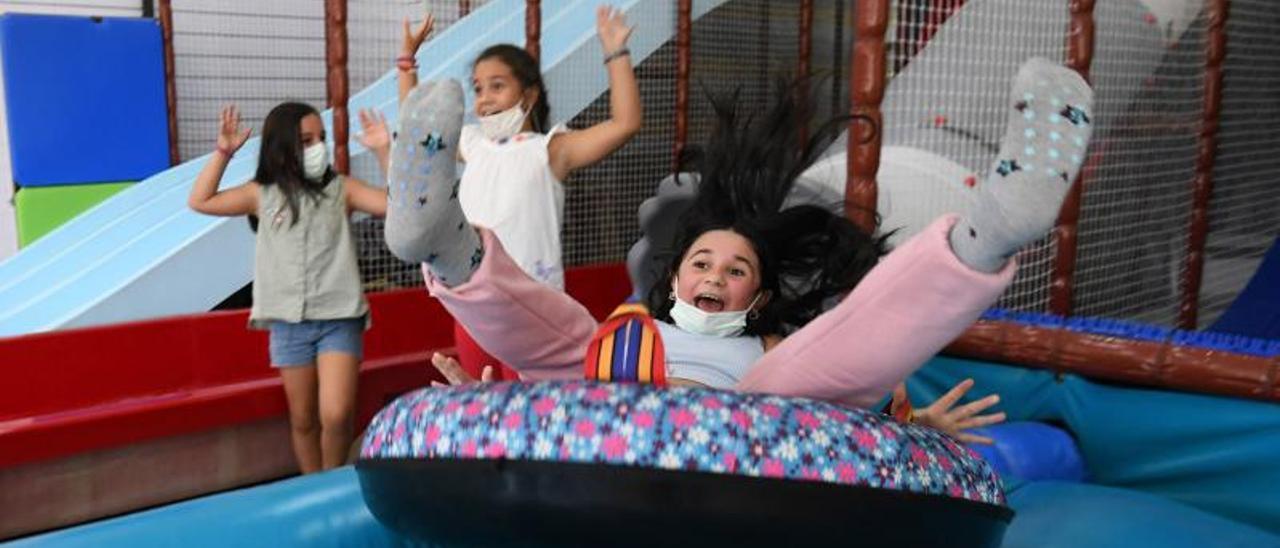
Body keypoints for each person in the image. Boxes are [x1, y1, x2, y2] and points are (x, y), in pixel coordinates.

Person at [390, 57, 1091, 439]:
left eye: (735, 269)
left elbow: (855, 374)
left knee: (811, 366)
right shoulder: (639, 330)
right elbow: (548, 362)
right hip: (618, 404)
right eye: (701, 262)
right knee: (580, 342)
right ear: (674, 280)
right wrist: (487, 412)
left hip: (746, 428)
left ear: (756, 295)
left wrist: (916, 426)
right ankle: (448, 245)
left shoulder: (772, 354)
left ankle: (986, 233)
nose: (715, 275)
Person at [387, 6, 642, 381]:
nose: (484, 98)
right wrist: (406, 63)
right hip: (477, 310)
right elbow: (422, 127)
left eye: (497, 85)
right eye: (477, 88)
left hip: (535, 311)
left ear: (530, 94)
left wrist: (615, 52)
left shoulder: (550, 149)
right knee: (486, 406)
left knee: (533, 410)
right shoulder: (473, 144)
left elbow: (625, 123)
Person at [188, 102, 392, 472]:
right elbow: (200, 200)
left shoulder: (341, 189)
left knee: (337, 413)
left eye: (321, 139)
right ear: (282, 147)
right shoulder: (260, 195)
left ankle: (331, 484)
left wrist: (384, 152)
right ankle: (312, 484)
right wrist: (223, 152)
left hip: (339, 317)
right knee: (303, 419)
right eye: (305, 140)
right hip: (287, 322)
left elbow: (397, 206)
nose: (317, 147)